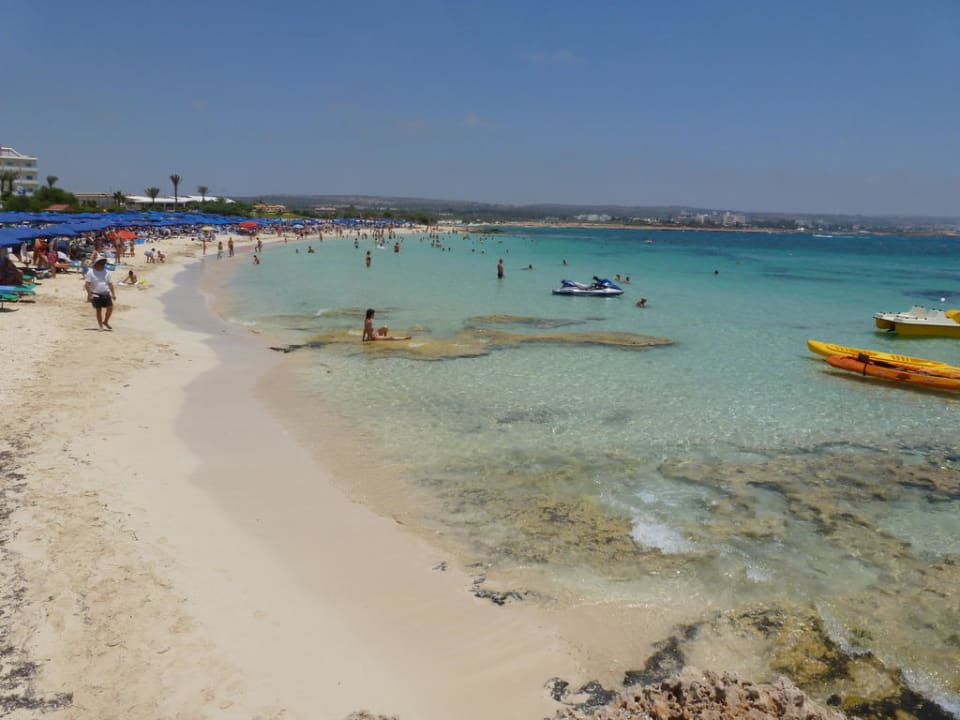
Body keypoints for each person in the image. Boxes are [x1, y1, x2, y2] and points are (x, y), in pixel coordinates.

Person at [84, 257, 117, 330]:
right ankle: (100, 326)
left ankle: (105, 321)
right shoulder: (90, 272)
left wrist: (113, 294)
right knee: (98, 310)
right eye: (101, 263)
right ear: (97, 264)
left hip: (106, 293)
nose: (103, 264)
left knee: (110, 308)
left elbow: (110, 284)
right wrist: (90, 295)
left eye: (103, 263)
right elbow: (87, 285)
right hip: (95, 294)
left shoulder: (107, 272)